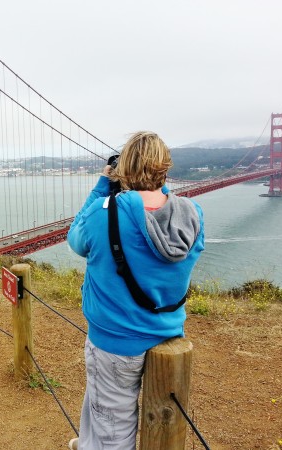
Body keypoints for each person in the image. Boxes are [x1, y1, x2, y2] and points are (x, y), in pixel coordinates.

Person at [66, 131, 205, 450]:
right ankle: (88, 443)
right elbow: (158, 213)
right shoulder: (192, 214)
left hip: (116, 342)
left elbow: (75, 238)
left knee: (112, 427)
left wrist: (105, 185)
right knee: (105, 410)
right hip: (168, 333)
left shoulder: (106, 209)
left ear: (124, 169)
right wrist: (153, 186)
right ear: (165, 170)